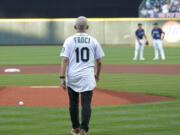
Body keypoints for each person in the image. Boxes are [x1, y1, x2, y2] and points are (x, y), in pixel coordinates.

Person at [60, 16, 105, 135]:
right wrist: (97, 74)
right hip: (87, 76)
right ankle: (84, 129)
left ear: (75, 27)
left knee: (73, 103)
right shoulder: (93, 40)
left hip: (72, 76)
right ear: (87, 27)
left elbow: (65, 60)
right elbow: (99, 61)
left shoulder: (69, 40)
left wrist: (62, 77)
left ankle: (76, 128)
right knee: (86, 104)